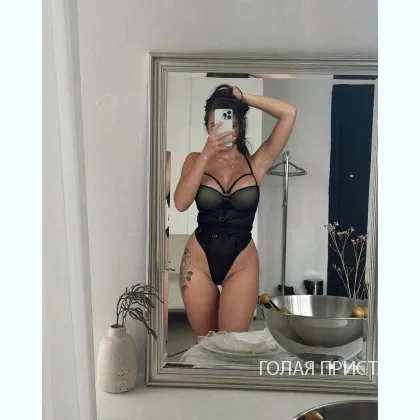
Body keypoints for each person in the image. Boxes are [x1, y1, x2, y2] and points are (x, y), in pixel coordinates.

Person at [173, 84, 297, 338]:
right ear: (207, 127)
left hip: (241, 262)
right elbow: (180, 203)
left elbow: (289, 113)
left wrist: (243, 97)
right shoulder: (195, 159)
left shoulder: (257, 163)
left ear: (239, 127)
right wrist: (206, 155)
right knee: (206, 345)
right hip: (199, 259)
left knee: (232, 346)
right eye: (214, 125)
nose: (222, 130)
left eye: (230, 124)